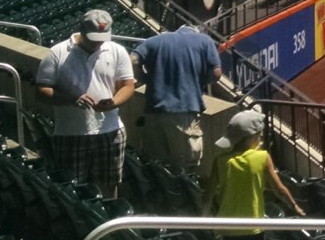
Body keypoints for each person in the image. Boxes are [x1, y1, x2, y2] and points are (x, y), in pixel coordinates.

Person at [35, 10, 136, 198]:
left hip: (110, 130)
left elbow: (128, 86)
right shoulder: (58, 53)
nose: (98, 42)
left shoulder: (116, 51)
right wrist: (72, 99)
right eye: (93, 38)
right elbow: (42, 90)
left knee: (109, 183)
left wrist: (113, 103)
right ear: (81, 30)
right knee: (71, 187)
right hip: (71, 132)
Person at [211, 110, 303, 240]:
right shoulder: (263, 157)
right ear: (253, 137)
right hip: (254, 228)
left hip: (226, 229)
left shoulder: (220, 160)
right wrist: (295, 207)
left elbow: (207, 198)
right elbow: (279, 189)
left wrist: (203, 221)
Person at [132, 24, 223, 174]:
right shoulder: (204, 41)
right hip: (183, 113)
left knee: (158, 166)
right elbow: (217, 74)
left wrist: (143, 77)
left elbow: (132, 60)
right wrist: (199, 81)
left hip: (153, 113)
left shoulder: (154, 41)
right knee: (185, 168)